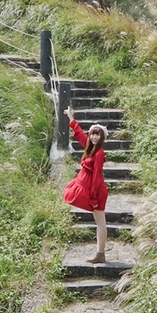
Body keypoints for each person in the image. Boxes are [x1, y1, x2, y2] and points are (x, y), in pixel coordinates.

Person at [62, 107, 109, 263]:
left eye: (98, 134)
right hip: (89, 186)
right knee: (99, 222)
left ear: (102, 137)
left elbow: (96, 176)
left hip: (97, 190)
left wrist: (94, 197)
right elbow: (80, 134)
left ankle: (100, 254)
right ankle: (100, 253)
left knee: (100, 222)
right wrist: (70, 116)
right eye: (93, 134)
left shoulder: (99, 153)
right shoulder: (90, 147)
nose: (94, 137)